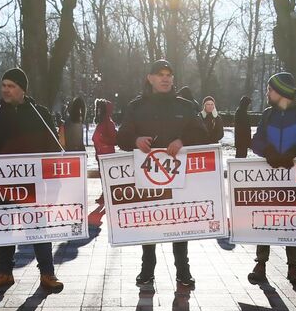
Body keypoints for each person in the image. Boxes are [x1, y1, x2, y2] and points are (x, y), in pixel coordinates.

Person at [117, 58, 208, 289]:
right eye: (160, 74)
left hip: (179, 179)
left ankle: (183, 272)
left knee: (179, 224)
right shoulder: (136, 107)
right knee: (149, 224)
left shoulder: (185, 106)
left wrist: (183, 140)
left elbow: (203, 134)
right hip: (148, 178)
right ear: (150, 78)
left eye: (169, 74)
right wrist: (135, 140)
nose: (165, 78)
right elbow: (122, 138)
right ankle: (147, 270)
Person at [0, 67, 65, 292]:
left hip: (32, 184)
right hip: (1, 184)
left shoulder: (39, 113)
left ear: (23, 90)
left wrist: (54, 182)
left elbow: (54, 149)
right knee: (4, 227)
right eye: (3, 85)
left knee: (37, 227)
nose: (6, 90)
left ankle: (48, 273)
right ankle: (4, 272)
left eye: (11, 86)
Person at [247, 71, 296, 287]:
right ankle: (260, 263)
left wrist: (295, 151)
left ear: (280, 91)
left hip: (295, 176)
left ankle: (293, 266)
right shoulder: (268, 114)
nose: (267, 93)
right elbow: (256, 141)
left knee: (293, 218)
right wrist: (268, 151)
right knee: (266, 217)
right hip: (270, 176)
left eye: (270, 89)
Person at [88, 98, 116, 228]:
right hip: (101, 154)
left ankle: (108, 196)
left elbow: (115, 140)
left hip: (106, 154)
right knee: (103, 176)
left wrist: (102, 139)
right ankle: (105, 195)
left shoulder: (108, 123)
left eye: (100, 109)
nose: (98, 111)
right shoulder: (103, 122)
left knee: (106, 177)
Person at [234, 95, 251, 159]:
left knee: (240, 156)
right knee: (241, 156)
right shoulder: (241, 113)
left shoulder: (240, 112)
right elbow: (244, 128)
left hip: (241, 140)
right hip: (242, 141)